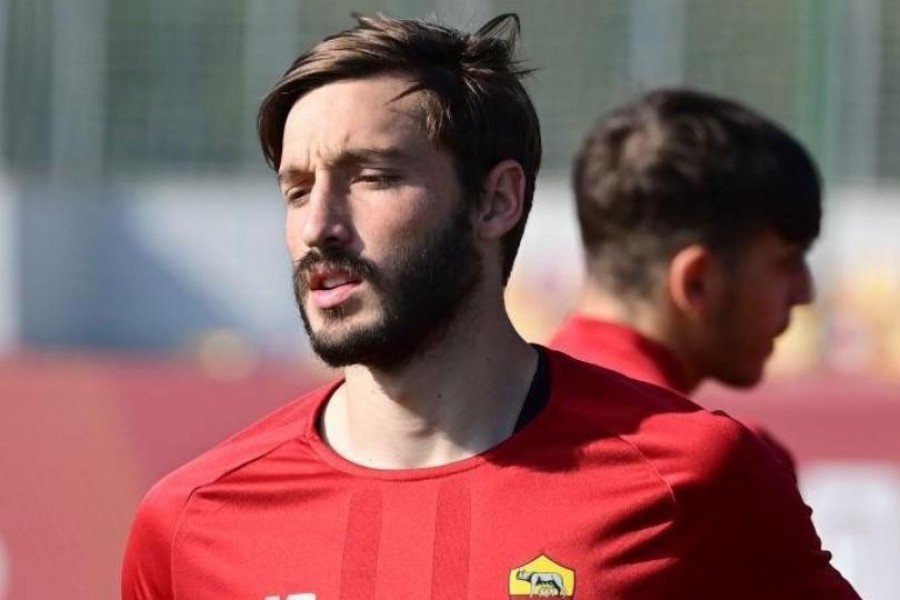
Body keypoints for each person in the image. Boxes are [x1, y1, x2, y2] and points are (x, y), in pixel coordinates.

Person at [121, 15, 858, 599]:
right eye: (296, 189)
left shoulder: (696, 477)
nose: (319, 225)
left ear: (496, 200)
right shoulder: (189, 521)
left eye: (371, 176)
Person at [550, 89, 819, 473]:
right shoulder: (723, 469)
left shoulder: (484, 420)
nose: (804, 293)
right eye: (788, 262)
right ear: (697, 283)